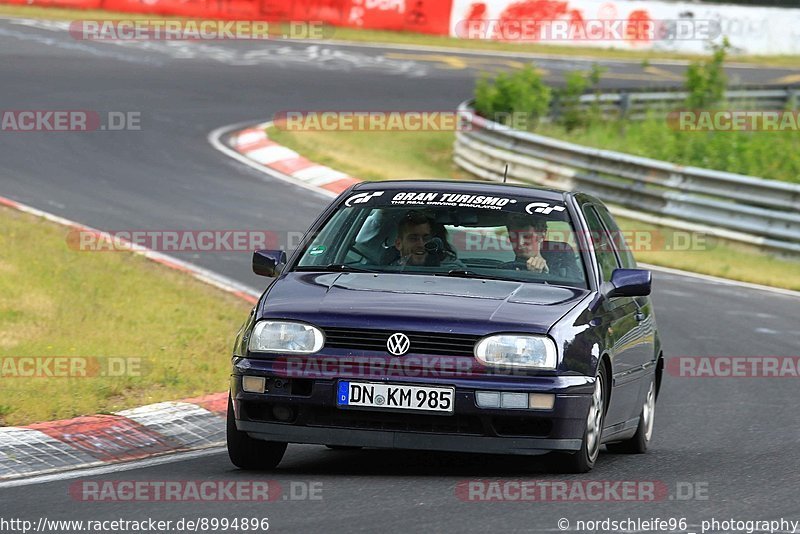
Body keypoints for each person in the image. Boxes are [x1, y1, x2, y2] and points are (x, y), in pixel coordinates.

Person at [505, 213, 582, 279]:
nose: (520, 243)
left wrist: (543, 276)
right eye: (514, 237)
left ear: (542, 236)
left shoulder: (563, 272)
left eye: (527, 237)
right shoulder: (502, 271)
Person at [391, 211, 462, 268]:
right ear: (398, 244)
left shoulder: (454, 270)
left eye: (426, 238)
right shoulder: (388, 273)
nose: (421, 244)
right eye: (413, 239)